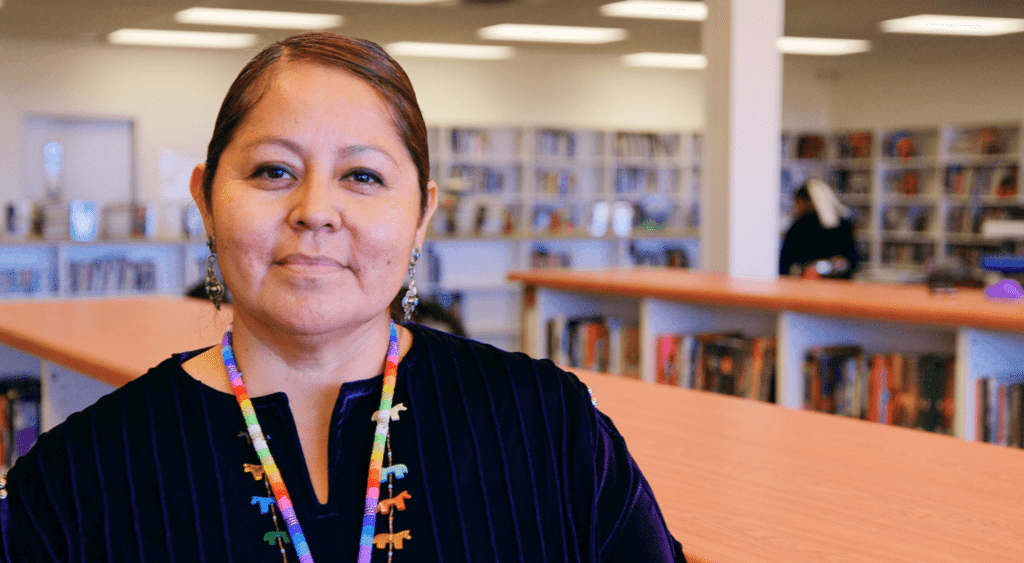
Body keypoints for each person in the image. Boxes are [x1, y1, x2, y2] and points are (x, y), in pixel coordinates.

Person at [0, 32, 685, 562]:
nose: (316, 210)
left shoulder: (550, 427)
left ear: (422, 214)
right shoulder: (79, 476)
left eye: (362, 175)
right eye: (273, 170)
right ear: (206, 199)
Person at [779, 179, 859, 279]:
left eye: (798, 202)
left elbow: (851, 261)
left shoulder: (799, 227)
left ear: (808, 202)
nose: (796, 207)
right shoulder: (843, 225)